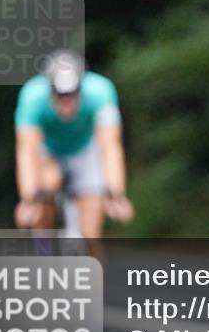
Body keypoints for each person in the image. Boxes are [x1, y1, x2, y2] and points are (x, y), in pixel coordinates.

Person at [13, 49, 134, 237]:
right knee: (44, 190)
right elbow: (27, 151)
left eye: (72, 94)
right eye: (60, 95)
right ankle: (43, 247)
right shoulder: (32, 96)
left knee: (91, 232)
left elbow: (110, 147)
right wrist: (28, 199)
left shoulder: (100, 91)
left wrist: (116, 194)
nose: (67, 102)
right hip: (50, 152)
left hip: (85, 150)